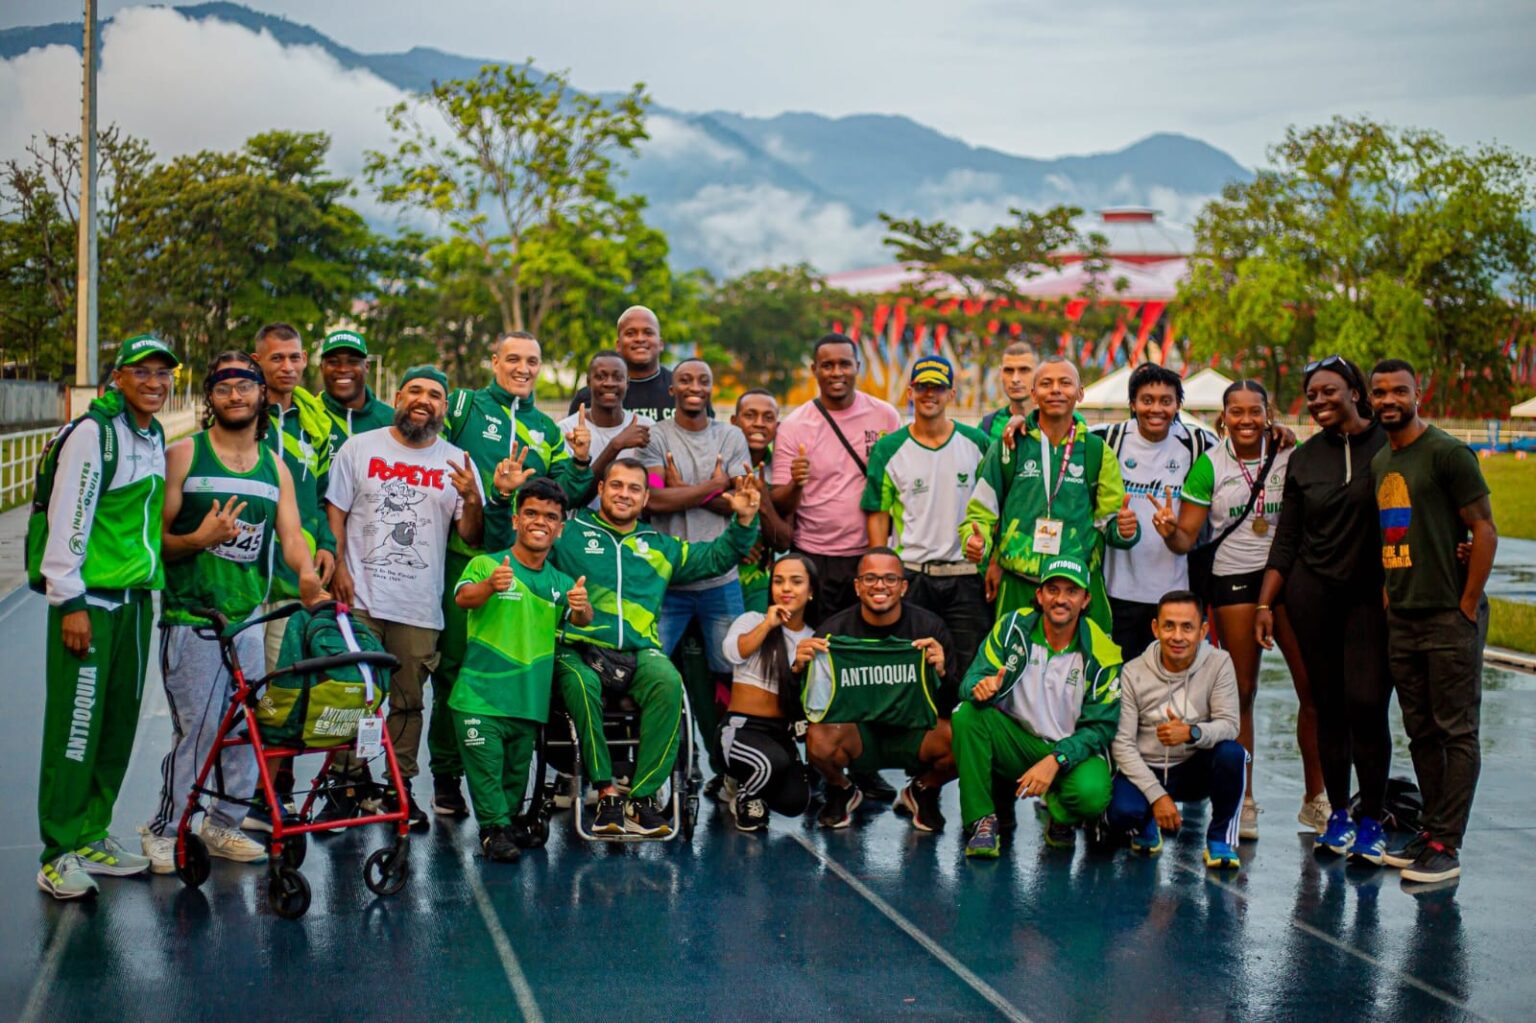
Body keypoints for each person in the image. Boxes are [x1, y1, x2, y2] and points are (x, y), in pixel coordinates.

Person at [139, 353, 325, 873]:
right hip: (193, 618)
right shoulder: (184, 456)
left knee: (246, 727)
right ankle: (166, 828)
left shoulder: (276, 468)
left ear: (262, 394)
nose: (236, 396)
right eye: (224, 388)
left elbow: (291, 538)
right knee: (199, 728)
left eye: (245, 386)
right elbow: (152, 541)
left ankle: (223, 823)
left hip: (249, 618)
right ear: (211, 398)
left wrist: (307, 576)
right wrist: (200, 539)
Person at [35, 335, 176, 900]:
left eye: (163, 374)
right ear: (118, 377)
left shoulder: (154, 434)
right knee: (75, 729)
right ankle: (56, 851)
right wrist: (68, 600)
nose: (155, 383)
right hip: (89, 603)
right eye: (142, 372)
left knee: (116, 728)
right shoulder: (95, 434)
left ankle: (92, 833)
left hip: (136, 603)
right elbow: (71, 516)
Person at [550, 458, 760, 836]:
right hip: (577, 646)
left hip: (636, 653)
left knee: (667, 680)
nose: (624, 494)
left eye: (634, 488)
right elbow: (519, 544)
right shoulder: (569, 532)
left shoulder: (659, 546)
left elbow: (715, 558)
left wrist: (744, 522)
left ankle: (642, 799)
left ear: (646, 498)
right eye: (616, 486)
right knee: (582, 684)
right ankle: (606, 791)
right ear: (600, 490)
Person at [1148, 380, 1317, 841]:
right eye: (1236, 412)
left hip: (1287, 578)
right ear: (1223, 418)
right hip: (1235, 579)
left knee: (1313, 690)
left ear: (1269, 414)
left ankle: (1316, 799)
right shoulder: (1209, 466)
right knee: (1241, 692)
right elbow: (1187, 539)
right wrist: (1168, 531)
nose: (1246, 420)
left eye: (1255, 412)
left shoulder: (1288, 453)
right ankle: (1244, 798)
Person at [433, 331, 592, 818]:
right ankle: (445, 775)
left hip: (528, 566)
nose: (523, 369)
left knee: (518, 668)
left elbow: (567, 492)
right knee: (456, 668)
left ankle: (508, 785)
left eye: (533, 361)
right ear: (494, 360)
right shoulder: (465, 405)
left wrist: (582, 461)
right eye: (514, 359)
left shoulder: (545, 428)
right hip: (467, 557)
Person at [326, 365, 487, 829]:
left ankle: (397, 787)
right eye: (415, 391)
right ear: (397, 397)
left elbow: (471, 537)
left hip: (418, 606)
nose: (424, 400)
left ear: (443, 407)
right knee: (352, 696)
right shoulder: (360, 448)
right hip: (360, 596)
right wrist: (337, 567)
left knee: (407, 703)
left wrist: (472, 498)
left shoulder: (458, 461)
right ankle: (347, 783)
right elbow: (334, 515)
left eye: (435, 394)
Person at [1256, 356, 1391, 862]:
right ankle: (1338, 814)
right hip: (1313, 597)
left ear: (1356, 392)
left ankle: (1373, 818)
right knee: (1328, 706)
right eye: (1311, 395)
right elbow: (1287, 536)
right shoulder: (1305, 458)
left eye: (1329, 391)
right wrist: (1267, 601)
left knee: (1367, 703)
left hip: (1370, 600)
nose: (1319, 402)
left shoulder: (1388, 446)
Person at [1369, 359, 1497, 885]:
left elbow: (1484, 530)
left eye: (1400, 390)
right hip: (1404, 615)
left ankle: (1448, 842)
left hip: (1448, 615)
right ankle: (1431, 828)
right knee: (1420, 730)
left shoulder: (1448, 453)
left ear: (1417, 393)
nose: (1389, 399)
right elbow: (1394, 538)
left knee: (1455, 731)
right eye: (1379, 392)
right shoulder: (1382, 461)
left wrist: (1467, 604)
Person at [450, 477, 593, 862]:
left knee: (515, 778)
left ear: (560, 528)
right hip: (479, 698)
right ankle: (493, 830)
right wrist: (491, 587)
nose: (539, 521)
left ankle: (508, 824)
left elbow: (582, 618)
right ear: (515, 520)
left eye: (550, 516)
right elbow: (464, 598)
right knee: (486, 774)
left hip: (528, 704)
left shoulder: (562, 582)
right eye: (530, 512)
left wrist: (580, 605)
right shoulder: (486, 564)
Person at [953, 555, 1122, 859]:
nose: (1061, 599)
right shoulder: (1012, 628)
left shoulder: (1102, 650)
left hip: (1070, 751)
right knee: (967, 715)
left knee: (1093, 794)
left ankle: (1060, 815)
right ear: (1040, 595)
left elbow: (1101, 728)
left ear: (1085, 600)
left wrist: (1057, 758)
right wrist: (981, 687)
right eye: (1053, 590)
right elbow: (970, 681)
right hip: (1016, 741)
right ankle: (982, 819)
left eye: (1071, 592)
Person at [638, 359, 753, 785]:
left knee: (730, 676)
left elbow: (741, 503)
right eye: (685, 379)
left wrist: (681, 490)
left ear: (711, 388)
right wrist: (712, 486)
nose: (694, 387)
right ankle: (659, 766)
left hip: (720, 580)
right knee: (648, 673)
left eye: (703, 380)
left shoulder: (731, 435)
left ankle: (731, 770)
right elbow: (652, 501)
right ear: (672, 389)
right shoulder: (656, 437)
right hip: (666, 581)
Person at [961, 356, 1139, 629]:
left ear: (1080, 393)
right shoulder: (1009, 446)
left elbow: (1110, 522)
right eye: (1046, 383)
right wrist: (978, 543)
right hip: (1019, 583)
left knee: (1084, 669)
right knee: (1011, 668)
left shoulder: (1095, 451)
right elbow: (980, 513)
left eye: (1065, 383)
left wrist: (1126, 531)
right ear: (1033, 394)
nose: (1056, 389)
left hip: (1077, 587)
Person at [802, 547, 957, 832]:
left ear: (904, 587)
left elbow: (951, 703)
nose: (880, 586)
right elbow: (811, 707)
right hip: (860, 736)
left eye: (890, 579)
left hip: (913, 734)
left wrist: (942, 673)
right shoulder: (833, 632)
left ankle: (923, 790)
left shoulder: (929, 628)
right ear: (857, 586)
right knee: (818, 738)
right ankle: (842, 788)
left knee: (964, 735)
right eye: (870, 578)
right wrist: (798, 671)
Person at [863, 355, 991, 674]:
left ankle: (957, 725)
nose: (929, 394)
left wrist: (994, 562)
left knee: (966, 667)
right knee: (911, 666)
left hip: (965, 575)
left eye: (938, 387)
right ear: (910, 392)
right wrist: (882, 571)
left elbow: (994, 507)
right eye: (922, 387)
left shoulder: (976, 442)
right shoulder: (889, 448)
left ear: (951, 394)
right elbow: (878, 516)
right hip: (912, 574)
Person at [1107, 590, 1248, 869]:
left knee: (1233, 755)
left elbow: (1230, 725)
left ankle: (1220, 839)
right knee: (1120, 813)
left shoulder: (1219, 663)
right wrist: (1157, 796)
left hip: (1192, 769)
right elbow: (1122, 744)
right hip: (1147, 769)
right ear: (1155, 628)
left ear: (1203, 630)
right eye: (1169, 625)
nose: (1177, 636)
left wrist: (1192, 733)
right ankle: (1146, 821)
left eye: (1187, 627)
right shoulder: (1133, 672)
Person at [1091, 363, 1217, 660]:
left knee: (1169, 685)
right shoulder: (1106, 439)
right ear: (1133, 403)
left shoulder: (1199, 443)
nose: (1156, 409)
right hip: (1115, 591)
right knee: (1116, 685)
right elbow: (1057, 435)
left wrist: (1277, 432)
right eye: (1147, 400)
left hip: (1175, 594)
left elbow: (1244, 450)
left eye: (1166, 401)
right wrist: (1018, 423)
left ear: (1178, 405)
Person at [771, 333, 901, 617]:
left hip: (870, 553)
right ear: (814, 370)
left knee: (865, 643)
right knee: (817, 641)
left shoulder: (885, 416)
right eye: (827, 365)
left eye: (844, 364)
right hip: (814, 555)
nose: (836, 372)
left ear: (857, 366)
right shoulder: (794, 426)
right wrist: (796, 481)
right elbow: (779, 502)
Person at [251, 323, 337, 669]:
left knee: (280, 692)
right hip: (246, 581)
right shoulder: (243, 417)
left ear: (304, 360)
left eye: (293, 358)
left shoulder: (315, 424)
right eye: (276, 358)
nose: (287, 367)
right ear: (257, 362)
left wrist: (327, 544)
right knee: (236, 692)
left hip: (294, 581)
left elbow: (320, 497)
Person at [718, 553, 820, 831]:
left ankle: (748, 779)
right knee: (768, 764)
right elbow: (731, 653)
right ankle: (745, 795)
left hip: (779, 732)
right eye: (779, 581)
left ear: (811, 592)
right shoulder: (752, 620)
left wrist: (799, 668)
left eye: (796, 582)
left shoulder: (814, 637)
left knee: (796, 801)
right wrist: (768, 625)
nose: (786, 588)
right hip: (741, 728)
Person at [566, 305, 711, 421]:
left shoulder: (685, 390)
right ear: (618, 344)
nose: (640, 339)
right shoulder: (591, 395)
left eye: (648, 332)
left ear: (660, 344)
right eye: (630, 333)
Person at [731, 389, 800, 613]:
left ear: (777, 427)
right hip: (715, 576)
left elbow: (783, 540)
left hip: (759, 580)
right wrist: (739, 542)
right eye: (750, 415)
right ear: (734, 422)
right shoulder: (717, 462)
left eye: (768, 418)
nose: (759, 424)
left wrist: (762, 498)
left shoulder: (781, 470)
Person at [556, 350, 653, 507]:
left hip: (631, 529)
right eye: (600, 377)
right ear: (588, 382)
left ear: (627, 383)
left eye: (617, 377)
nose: (609, 383)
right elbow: (572, 498)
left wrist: (655, 480)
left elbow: (655, 482)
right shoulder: (566, 430)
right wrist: (616, 445)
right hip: (581, 528)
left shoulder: (646, 426)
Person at [319, 329, 394, 443]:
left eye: (353, 361)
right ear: (322, 368)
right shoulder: (308, 415)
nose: (343, 369)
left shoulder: (390, 420)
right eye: (334, 362)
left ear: (367, 367)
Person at [979, 340, 1038, 446]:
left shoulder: (1054, 422)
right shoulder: (988, 426)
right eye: (1009, 371)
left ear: (1039, 374)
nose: (1015, 379)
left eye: (1024, 370)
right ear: (1000, 374)